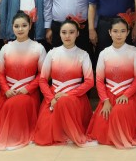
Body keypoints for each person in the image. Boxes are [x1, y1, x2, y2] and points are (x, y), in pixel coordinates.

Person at [0, 12, 46, 150]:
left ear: (30, 26)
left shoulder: (38, 48)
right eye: (17, 26)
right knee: (5, 107)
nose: (20, 29)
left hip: (28, 93)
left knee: (15, 104)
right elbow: (0, 73)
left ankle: (15, 135)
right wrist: (6, 90)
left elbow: (43, 75)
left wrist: (28, 89)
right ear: (12, 27)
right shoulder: (6, 48)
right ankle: (4, 134)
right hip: (8, 91)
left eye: (24, 26)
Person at [87, 18, 136, 149]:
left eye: (122, 31)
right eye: (115, 31)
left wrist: (126, 95)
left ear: (128, 32)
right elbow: (99, 80)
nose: (119, 35)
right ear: (109, 32)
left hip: (129, 95)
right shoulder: (104, 53)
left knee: (119, 113)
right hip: (109, 95)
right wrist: (105, 100)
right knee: (102, 125)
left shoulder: (134, 52)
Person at [33, 19, 96, 147]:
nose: (67, 36)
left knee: (65, 102)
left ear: (77, 33)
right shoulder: (52, 53)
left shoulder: (83, 55)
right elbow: (43, 80)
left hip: (75, 97)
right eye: (64, 32)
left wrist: (68, 94)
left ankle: (70, 132)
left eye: (71, 32)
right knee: (45, 132)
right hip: (54, 96)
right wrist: (51, 99)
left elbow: (90, 82)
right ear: (59, 34)